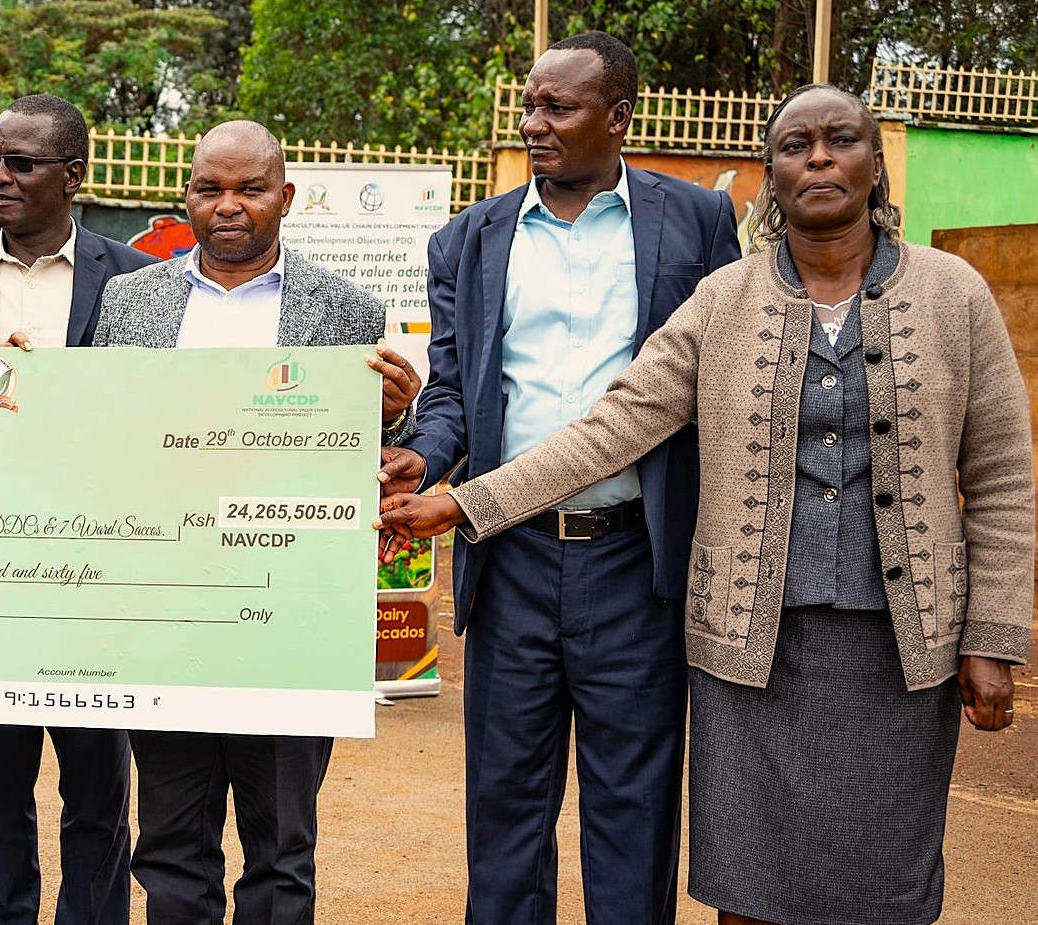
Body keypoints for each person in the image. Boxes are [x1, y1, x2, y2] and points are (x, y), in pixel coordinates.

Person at [377, 83, 1032, 925]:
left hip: (900, 649)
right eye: (794, 147)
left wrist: (991, 639)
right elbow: (614, 427)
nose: (818, 159)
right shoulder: (725, 300)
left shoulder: (953, 295)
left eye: (840, 141)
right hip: (746, 645)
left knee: (882, 878)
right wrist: (465, 504)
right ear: (771, 176)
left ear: (876, 167)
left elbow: (1002, 480)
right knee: (748, 882)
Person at [374, 31, 741, 925]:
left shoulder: (696, 222)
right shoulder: (467, 239)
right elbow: (457, 389)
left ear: (618, 117)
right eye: (528, 105)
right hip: (509, 560)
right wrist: (425, 452)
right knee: (505, 805)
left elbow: (725, 376)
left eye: (557, 107)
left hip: (638, 563)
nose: (533, 123)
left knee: (633, 809)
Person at [93, 119, 419, 925]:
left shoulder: (347, 309)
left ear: (286, 196)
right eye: (209, 189)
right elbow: (96, 437)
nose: (228, 206)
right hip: (166, 611)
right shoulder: (129, 301)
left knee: (279, 851)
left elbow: (376, 453)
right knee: (170, 844)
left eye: (250, 189)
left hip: (291, 620)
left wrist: (395, 416)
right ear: (186, 197)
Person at [0, 93, 157, 925]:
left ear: (73, 175)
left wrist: (63, 395)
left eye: (20, 163)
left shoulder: (136, 279)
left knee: (97, 798)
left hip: (97, 582)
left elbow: (153, 422)